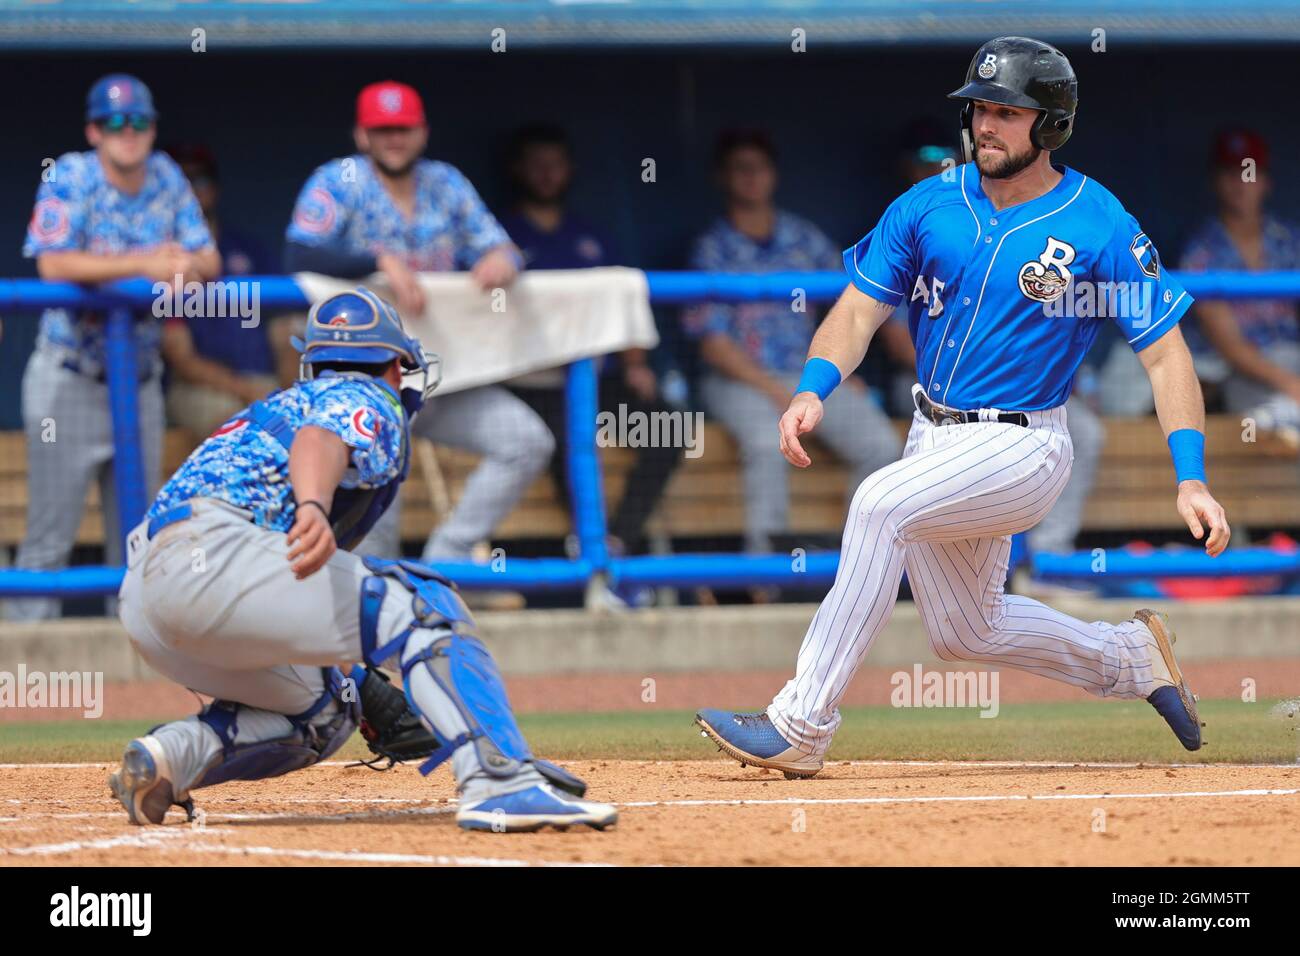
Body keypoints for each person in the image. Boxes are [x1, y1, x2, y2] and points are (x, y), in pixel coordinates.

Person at [696, 36, 1227, 778]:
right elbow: (855, 313)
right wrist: (812, 388)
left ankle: (801, 724)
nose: (985, 124)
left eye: (1007, 111)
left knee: (879, 503)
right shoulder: (930, 201)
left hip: (1024, 444)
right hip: (932, 432)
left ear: (1051, 124)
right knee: (965, 630)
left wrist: (1191, 475)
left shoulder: (1097, 220)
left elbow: (1166, 352)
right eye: (979, 108)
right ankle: (1129, 658)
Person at [107, 287, 616, 832]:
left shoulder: (280, 404)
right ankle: (502, 783)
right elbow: (322, 438)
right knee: (428, 603)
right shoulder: (368, 395)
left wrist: (370, 683)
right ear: (396, 365)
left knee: (326, 711)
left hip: (147, 603)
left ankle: (168, 759)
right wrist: (313, 505)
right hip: (216, 560)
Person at [283, 81, 554, 574]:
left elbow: (499, 245)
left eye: (403, 128)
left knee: (525, 439)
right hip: (366, 383)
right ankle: (377, 613)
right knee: (375, 519)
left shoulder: (445, 182)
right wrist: (377, 260)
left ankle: (446, 560)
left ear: (422, 132)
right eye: (382, 129)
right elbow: (300, 250)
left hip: (442, 375)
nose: (394, 139)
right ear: (362, 135)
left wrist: (502, 258)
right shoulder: (340, 179)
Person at [6, 74, 220, 621]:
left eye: (139, 121)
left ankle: (131, 675)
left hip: (140, 380)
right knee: (50, 539)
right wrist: (146, 263)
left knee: (136, 542)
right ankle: (24, 683)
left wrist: (184, 267)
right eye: (115, 122)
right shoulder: (71, 175)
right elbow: (53, 264)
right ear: (94, 130)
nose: (128, 131)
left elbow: (209, 261)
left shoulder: (168, 176)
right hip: (70, 378)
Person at [683, 130, 902, 556]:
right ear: (722, 177)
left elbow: (856, 299)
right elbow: (712, 344)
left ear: (773, 174)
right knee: (767, 444)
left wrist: (837, 369)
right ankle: (765, 572)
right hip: (739, 382)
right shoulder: (712, 248)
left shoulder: (803, 238)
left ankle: (855, 559)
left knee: (880, 443)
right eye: (740, 168)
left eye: (759, 167)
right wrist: (775, 390)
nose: (751, 177)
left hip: (805, 376)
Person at [500, 125, 681, 562]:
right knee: (569, 440)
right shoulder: (500, 237)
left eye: (555, 165)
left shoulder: (590, 235)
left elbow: (622, 300)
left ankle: (616, 541)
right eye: (537, 165)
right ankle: (590, 549)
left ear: (569, 171)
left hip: (598, 380)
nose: (546, 175)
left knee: (668, 431)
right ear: (519, 170)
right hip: (534, 385)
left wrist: (636, 362)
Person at [1180, 128, 1300, 443]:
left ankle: (1283, 417)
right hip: (1243, 373)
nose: (1240, 183)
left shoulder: (1289, 240)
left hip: (1292, 360)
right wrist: (1290, 383)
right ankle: (1278, 417)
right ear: (1215, 182)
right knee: (1259, 422)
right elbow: (1231, 347)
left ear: (1266, 181)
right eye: (1230, 173)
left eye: (1249, 172)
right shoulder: (1202, 251)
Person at [162, 143, 283, 437]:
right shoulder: (162, 259)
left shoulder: (249, 250)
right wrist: (246, 390)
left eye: (200, 181)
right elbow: (181, 357)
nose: (192, 191)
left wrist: (288, 390)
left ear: (215, 187)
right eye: (183, 183)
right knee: (237, 424)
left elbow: (284, 328)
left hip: (263, 381)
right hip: (199, 389)